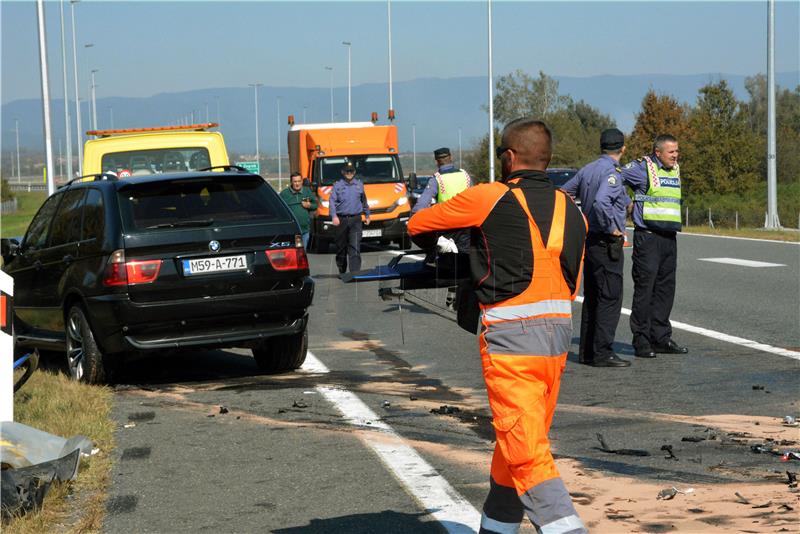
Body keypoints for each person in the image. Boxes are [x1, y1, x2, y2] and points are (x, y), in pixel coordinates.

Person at [408, 118, 587, 534]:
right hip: (558, 341)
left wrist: (460, 252)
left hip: (511, 344)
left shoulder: (489, 196)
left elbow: (419, 225)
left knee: (526, 453)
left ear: (508, 157)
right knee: (517, 444)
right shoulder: (571, 208)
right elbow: (571, 277)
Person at [561, 128, 631, 368]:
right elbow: (602, 202)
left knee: (592, 296)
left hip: (589, 240)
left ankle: (588, 352)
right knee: (610, 296)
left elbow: (564, 192)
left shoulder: (588, 169)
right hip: (605, 240)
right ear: (623, 148)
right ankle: (602, 352)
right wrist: (611, 227)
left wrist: (580, 219)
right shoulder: (612, 172)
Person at [621, 134, 688, 359]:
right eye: (671, 152)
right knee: (645, 290)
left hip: (669, 238)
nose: (676, 155)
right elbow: (615, 177)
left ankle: (661, 338)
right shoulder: (642, 168)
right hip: (648, 237)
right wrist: (626, 202)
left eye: (677, 151)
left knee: (665, 290)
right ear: (658, 152)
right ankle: (641, 340)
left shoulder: (675, 169)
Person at [413, 147, 474, 309]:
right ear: (451, 157)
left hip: (448, 227)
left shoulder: (437, 179)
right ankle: (461, 298)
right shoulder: (465, 175)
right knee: (465, 260)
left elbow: (422, 204)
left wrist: (415, 215)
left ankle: (451, 290)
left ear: (437, 161)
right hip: (467, 225)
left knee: (444, 261)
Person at [329, 161, 370, 274]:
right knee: (341, 248)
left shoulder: (359, 185)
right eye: (347, 171)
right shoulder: (337, 185)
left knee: (355, 246)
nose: (349, 173)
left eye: (351, 171)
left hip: (356, 220)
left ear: (354, 172)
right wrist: (334, 216)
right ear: (343, 172)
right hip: (341, 220)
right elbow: (332, 202)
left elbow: (364, 201)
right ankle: (342, 270)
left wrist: (367, 215)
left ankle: (354, 272)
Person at [280, 172, 318, 249]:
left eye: (299, 181)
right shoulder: (284, 194)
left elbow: (316, 205)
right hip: (291, 231)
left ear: (301, 181)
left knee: (302, 253)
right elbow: (279, 209)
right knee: (293, 253)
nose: (297, 184)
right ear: (291, 182)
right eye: (295, 181)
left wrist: (309, 205)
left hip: (304, 230)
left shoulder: (307, 191)